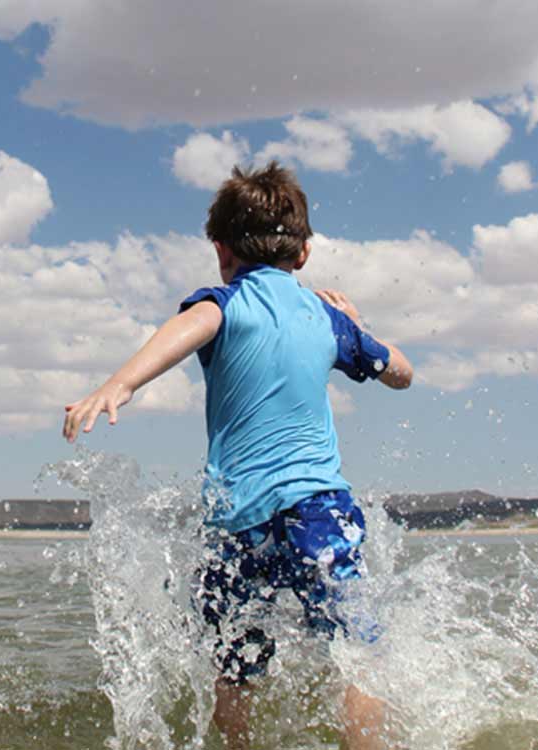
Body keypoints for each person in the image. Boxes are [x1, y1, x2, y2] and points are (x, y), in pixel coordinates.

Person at [63, 162, 413, 749]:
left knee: (234, 666)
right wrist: (357, 325)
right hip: (317, 510)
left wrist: (120, 384)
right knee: (357, 649)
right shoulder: (328, 319)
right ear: (303, 254)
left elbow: (189, 327)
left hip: (235, 524)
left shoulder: (225, 303)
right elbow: (402, 373)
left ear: (221, 250)